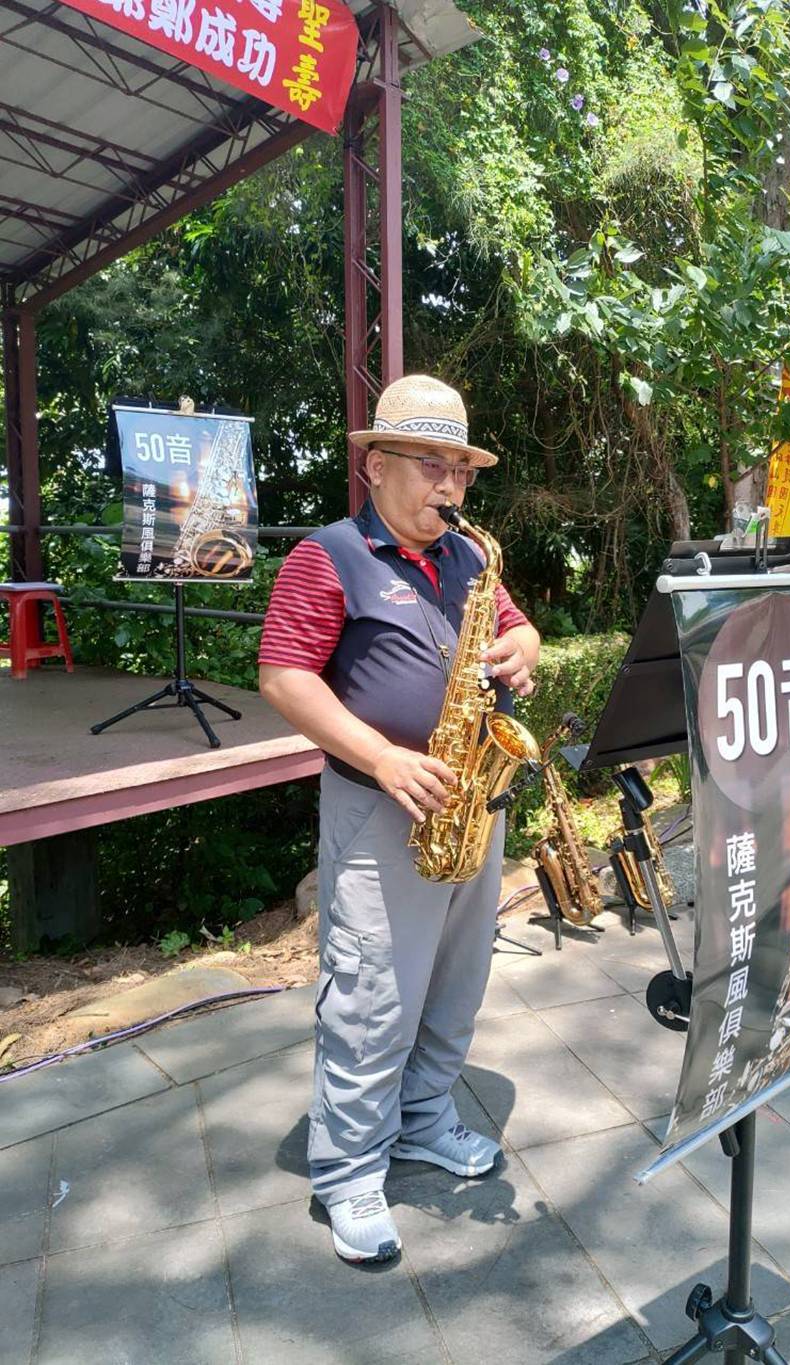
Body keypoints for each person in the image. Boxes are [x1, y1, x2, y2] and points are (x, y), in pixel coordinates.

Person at [258, 375, 540, 1263]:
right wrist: (381, 757)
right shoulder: (328, 556)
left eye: (462, 468)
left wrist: (522, 646)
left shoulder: (469, 557)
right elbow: (284, 676)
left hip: (473, 800)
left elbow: (519, 628)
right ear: (375, 464)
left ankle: (422, 1118)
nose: (451, 485)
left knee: (457, 981)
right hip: (380, 805)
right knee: (372, 996)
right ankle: (347, 1170)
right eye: (431, 464)